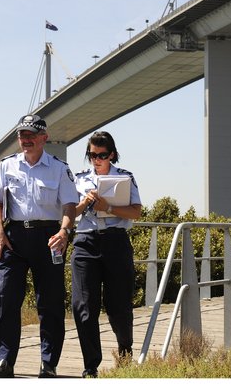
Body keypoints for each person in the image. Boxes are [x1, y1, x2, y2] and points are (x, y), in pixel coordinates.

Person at [0, 114, 78, 378]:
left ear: (43, 138)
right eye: (21, 136)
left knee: (49, 303)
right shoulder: (7, 166)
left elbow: (69, 205)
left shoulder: (59, 168)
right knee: (6, 298)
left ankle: (48, 363)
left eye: (31, 135)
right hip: (13, 237)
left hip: (49, 237)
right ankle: (4, 361)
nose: (25, 140)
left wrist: (64, 231)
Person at [71, 131, 142, 378]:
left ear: (111, 154)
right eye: (92, 155)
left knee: (119, 306)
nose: (96, 160)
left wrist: (108, 207)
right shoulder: (79, 179)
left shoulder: (125, 177)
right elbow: (69, 213)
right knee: (84, 306)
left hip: (115, 242)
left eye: (101, 155)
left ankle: (125, 349)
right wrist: (85, 203)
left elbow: (136, 212)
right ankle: (90, 365)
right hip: (86, 242)